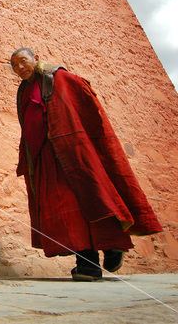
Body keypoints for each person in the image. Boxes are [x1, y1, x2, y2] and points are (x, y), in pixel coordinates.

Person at [10, 47, 162, 281]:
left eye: (23, 61)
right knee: (68, 212)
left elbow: (85, 99)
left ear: (36, 59)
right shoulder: (24, 90)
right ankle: (91, 263)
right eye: (15, 66)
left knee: (92, 199)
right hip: (45, 160)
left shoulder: (58, 77)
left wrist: (81, 140)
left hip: (72, 155)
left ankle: (108, 249)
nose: (20, 68)